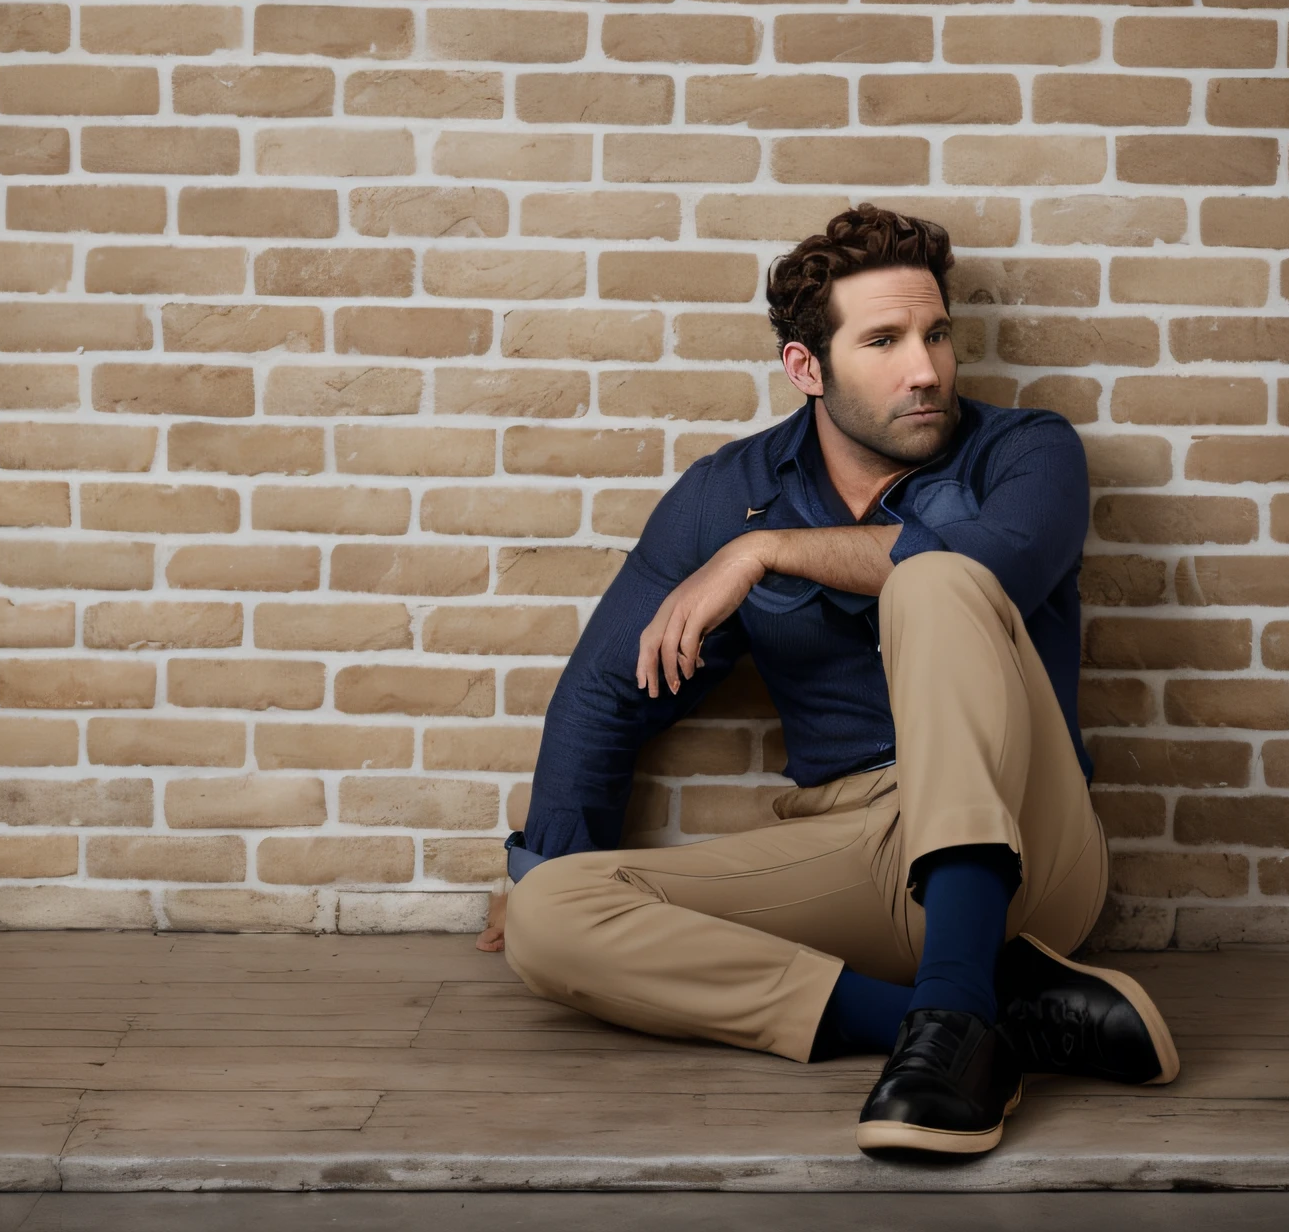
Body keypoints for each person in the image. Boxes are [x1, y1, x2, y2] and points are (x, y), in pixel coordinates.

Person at [474, 204, 1179, 1156]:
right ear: (807, 368)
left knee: (933, 579)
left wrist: (771, 553)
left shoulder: (1027, 451)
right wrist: (545, 861)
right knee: (552, 917)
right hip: (860, 848)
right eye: (884, 341)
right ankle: (961, 1020)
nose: (925, 369)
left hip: (1029, 841)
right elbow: (610, 688)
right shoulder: (728, 490)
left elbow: (996, 565)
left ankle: (956, 1024)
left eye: (936, 335)